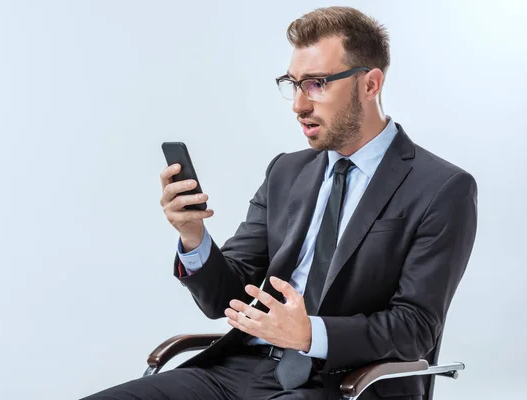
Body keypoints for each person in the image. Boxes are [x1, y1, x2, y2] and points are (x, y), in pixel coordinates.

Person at [83, 6, 477, 400]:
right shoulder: (287, 173)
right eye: (293, 83)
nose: (298, 105)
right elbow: (227, 297)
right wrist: (193, 237)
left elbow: (416, 328)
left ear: (370, 84)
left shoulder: (442, 188)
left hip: (342, 384)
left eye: (317, 84)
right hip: (236, 370)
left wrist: (309, 334)